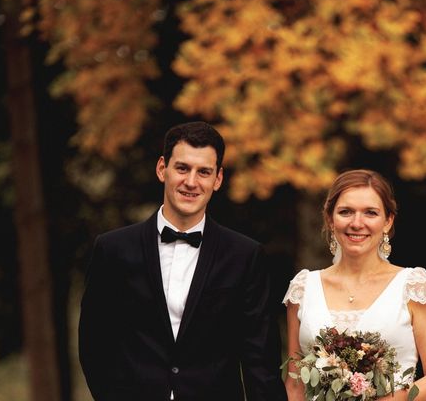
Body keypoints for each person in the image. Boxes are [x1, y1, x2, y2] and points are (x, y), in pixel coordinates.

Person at [79, 121, 287, 401]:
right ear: (162, 168)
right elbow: (95, 344)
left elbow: (259, 360)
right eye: (182, 168)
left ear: (218, 179)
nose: (191, 182)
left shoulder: (246, 256)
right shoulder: (112, 249)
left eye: (204, 172)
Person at [283, 169, 426, 400]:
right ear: (330, 219)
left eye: (370, 213)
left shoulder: (412, 285)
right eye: (346, 212)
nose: (357, 223)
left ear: (387, 221)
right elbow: (295, 384)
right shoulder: (303, 287)